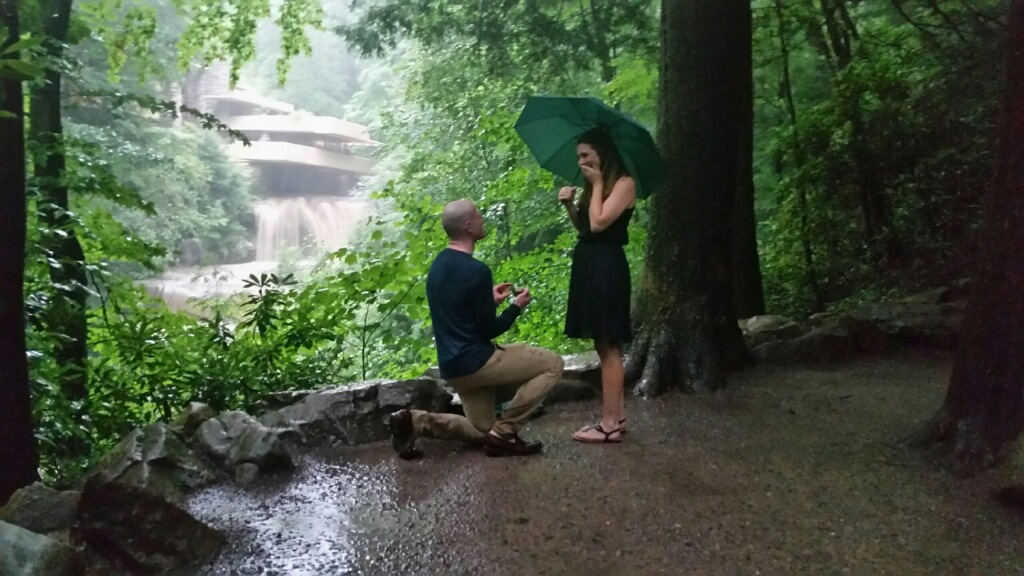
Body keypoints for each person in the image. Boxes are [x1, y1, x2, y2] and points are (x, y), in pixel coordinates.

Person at [388, 199, 565, 459]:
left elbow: (458, 310)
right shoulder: (476, 271)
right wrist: (516, 306)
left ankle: (413, 421)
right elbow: (490, 329)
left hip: (453, 367)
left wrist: (487, 299)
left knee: (482, 430)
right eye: (479, 216)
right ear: (469, 226)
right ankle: (506, 432)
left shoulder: (437, 266)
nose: (483, 219)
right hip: (478, 363)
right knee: (553, 364)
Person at [558, 128, 635, 443]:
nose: (581, 161)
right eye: (579, 157)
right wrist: (570, 206)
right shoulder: (596, 186)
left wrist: (598, 184)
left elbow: (602, 222)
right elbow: (587, 227)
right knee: (602, 344)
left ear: (603, 153)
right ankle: (618, 416)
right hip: (589, 264)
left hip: (607, 267)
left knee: (609, 344)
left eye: (586, 155)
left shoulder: (623, 184)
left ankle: (609, 426)